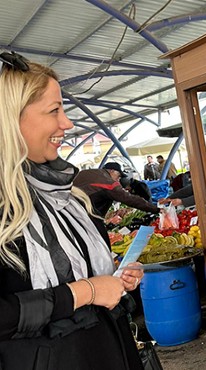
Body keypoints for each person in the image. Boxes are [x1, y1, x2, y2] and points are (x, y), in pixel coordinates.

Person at [0, 51, 144, 369]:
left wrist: (116, 280)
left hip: (112, 350)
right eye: (54, 110)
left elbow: (89, 278)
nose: (67, 123)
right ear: (12, 120)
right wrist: (84, 292)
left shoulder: (72, 198)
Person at [74, 162, 160, 247]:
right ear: (112, 171)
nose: (118, 179)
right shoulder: (107, 181)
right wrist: (155, 209)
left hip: (71, 212)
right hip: (86, 217)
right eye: (118, 176)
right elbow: (129, 198)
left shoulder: (86, 173)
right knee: (99, 242)